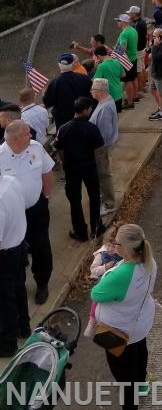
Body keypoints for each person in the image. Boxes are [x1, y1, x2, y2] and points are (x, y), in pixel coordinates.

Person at [91, 223, 157, 410]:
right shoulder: (149, 262)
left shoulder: (121, 274)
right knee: (139, 354)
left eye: (117, 244)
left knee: (123, 376)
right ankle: (141, 383)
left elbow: (96, 294)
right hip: (140, 324)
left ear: (127, 249)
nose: (114, 246)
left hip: (117, 332)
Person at [0, 120, 55, 304]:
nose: (30, 135)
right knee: (16, 251)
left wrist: (45, 197)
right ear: (15, 139)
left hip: (36, 209)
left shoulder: (36, 147)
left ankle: (42, 283)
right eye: (26, 134)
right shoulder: (0, 156)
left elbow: (47, 172)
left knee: (41, 246)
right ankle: (19, 287)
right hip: (13, 216)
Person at [54, 97, 104, 242]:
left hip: (71, 169)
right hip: (89, 167)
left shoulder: (63, 129)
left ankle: (80, 231)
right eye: (90, 108)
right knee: (94, 196)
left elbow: (59, 149)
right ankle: (96, 227)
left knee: (75, 200)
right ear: (85, 110)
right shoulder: (92, 128)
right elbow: (98, 149)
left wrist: (65, 164)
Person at [0, 174, 30, 357]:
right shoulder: (11, 180)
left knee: (5, 300)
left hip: (5, 255)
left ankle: (7, 344)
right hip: (18, 245)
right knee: (19, 288)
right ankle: (24, 327)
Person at [84, 223, 121, 338]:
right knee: (96, 300)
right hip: (104, 282)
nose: (110, 249)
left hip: (117, 283)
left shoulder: (122, 254)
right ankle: (91, 321)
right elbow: (93, 270)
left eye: (113, 246)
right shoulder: (102, 255)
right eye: (108, 245)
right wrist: (104, 268)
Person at [90, 78, 118, 216]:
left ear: (100, 91)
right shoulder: (104, 102)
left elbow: (105, 133)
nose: (91, 92)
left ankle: (109, 203)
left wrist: (96, 147)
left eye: (93, 89)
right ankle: (105, 198)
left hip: (101, 148)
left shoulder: (105, 108)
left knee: (104, 174)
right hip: (101, 146)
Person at [42, 52, 93, 130]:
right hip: (82, 116)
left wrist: (44, 93)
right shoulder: (84, 78)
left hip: (63, 120)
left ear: (59, 65)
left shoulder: (55, 82)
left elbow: (47, 102)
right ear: (73, 64)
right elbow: (91, 95)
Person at [115, 14, 138, 109]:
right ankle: (134, 97)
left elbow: (123, 48)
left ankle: (129, 102)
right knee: (133, 78)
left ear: (124, 22)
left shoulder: (124, 33)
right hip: (133, 58)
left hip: (126, 60)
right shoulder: (133, 30)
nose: (117, 22)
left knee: (128, 81)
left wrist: (115, 56)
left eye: (119, 21)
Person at [93, 46, 125, 112]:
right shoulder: (116, 61)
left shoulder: (101, 66)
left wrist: (95, 67)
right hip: (119, 93)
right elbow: (123, 74)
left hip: (109, 96)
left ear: (98, 56)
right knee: (116, 116)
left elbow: (95, 81)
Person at [148, 30, 162, 122]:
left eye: (154, 36)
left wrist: (155, 47)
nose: (153, 38)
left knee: (161, 94)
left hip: (160, 74)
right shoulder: (159, 45)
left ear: (160, 37)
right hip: (155, 73)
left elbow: (156, 58)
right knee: (152, 90)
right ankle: (161, 107)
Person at [127, 6, 148, 98]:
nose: (129, 15)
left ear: (134, 14)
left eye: (130, 13)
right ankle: (143, 86)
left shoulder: (136, 25)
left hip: (138, 50)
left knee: (138, 70)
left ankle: (139, 91)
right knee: (142, 68)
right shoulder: (142, 22)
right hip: (142, 48)